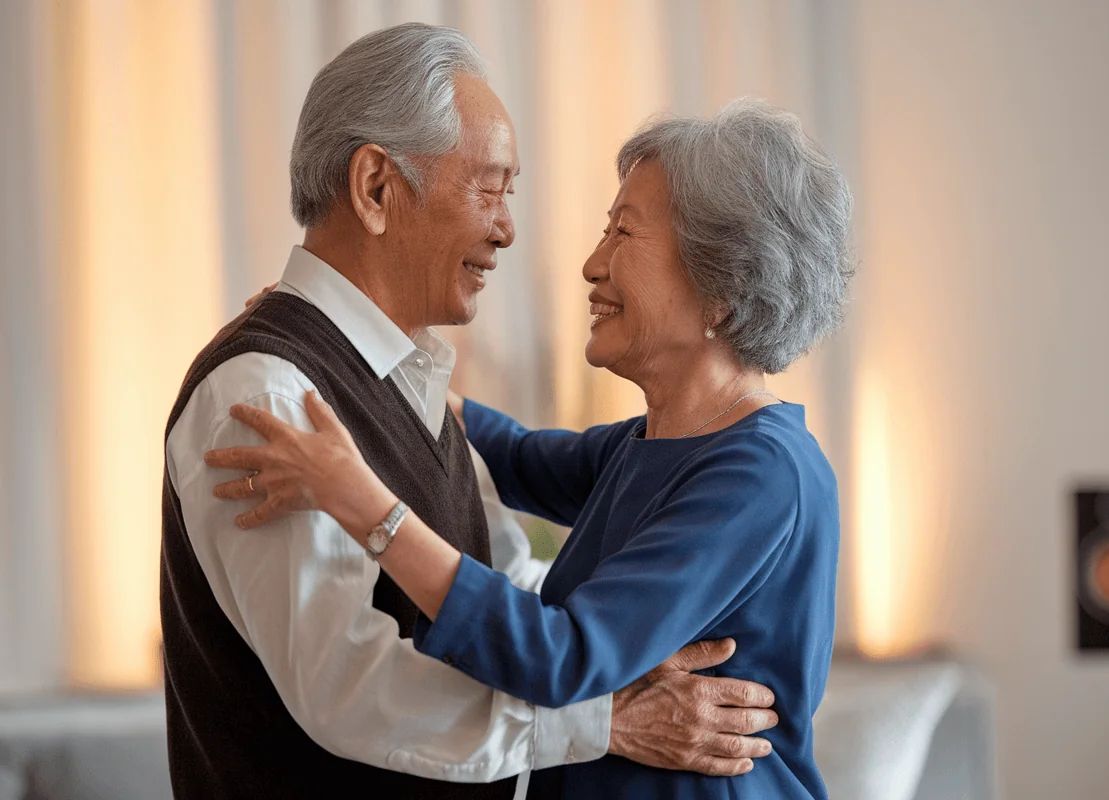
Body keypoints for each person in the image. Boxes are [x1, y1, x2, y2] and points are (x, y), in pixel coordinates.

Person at [160, 23, 779, 800]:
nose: (507, 229)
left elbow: (510, 582)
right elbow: (350, 685)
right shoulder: (266, 394)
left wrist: (636, 631)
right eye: (488, 189)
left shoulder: (402, 384)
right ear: (376, 188)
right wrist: (603, 721)